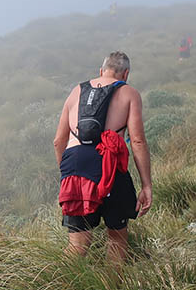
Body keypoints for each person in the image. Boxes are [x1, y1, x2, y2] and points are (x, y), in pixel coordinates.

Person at [52, 51, 152, 263]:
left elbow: (58, 141)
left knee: (77, 244)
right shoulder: (129, 93)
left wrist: (68, 174)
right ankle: (111, 284)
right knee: (116, 239)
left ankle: (56, 283)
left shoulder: (77, 91)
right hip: (109, 167)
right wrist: (146, 185)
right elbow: (137, 141)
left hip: (74, 166)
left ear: (101, 71)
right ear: (125, 74)